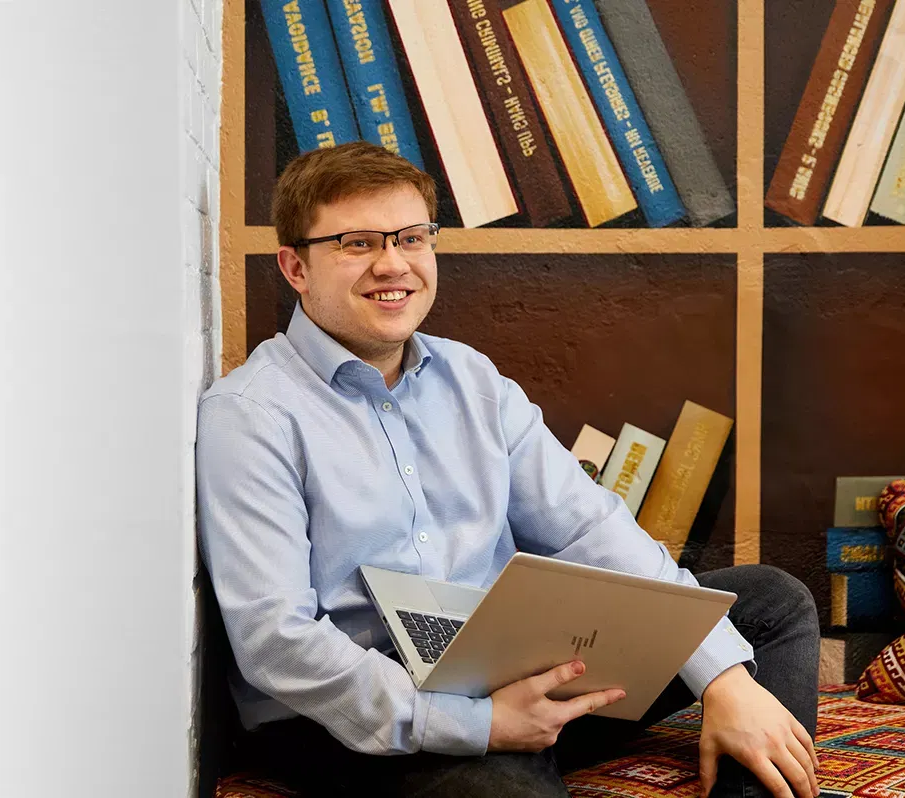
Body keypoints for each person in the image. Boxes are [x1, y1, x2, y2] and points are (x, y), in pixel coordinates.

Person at [196, 142, 821, 798]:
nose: (393, 264)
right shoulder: (253, 414)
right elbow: (276, 640)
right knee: (503, 786)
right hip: (350, 716)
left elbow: (589, 529)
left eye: (412, 238)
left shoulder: (473, 381)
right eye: (358, 244)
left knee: (769, 605)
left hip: (499, 669)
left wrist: (724, 678)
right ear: (295, 267)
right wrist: (480, 724)